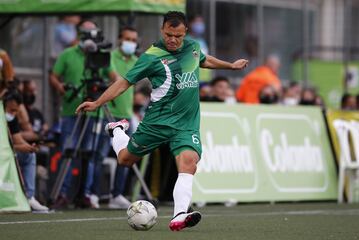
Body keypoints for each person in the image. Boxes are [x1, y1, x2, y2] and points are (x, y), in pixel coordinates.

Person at [76, 11, 248, 231]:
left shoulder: (193, 47)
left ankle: (179, 216)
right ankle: (117, 130)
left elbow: (204, 60)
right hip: (158, 122)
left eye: (177, 35)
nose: (173, 40)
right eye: (168, 34)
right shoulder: (151, 56)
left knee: (188, 163)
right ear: (162, 30)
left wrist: (230, 66)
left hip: (186, 124)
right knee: (125, 159)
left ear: (185, 32)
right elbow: (124, 83)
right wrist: (98, 102)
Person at [49, 20, 121, 208]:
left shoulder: (102, 56)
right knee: (68, 150)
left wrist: (115, 86)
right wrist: (61, 89)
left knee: (90, 151)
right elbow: (54, 76)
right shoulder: (67, 54)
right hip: (70, 109)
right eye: (86, 33)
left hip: (92, 110)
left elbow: (115, 77)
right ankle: (62, 194)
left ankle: (86, 194)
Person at [84, 26, 140, 209]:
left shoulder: (136, 59)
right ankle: (92, 193)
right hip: (108, 113)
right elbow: (117, 79)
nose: (131, 43)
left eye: (134, 39)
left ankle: (117, 194)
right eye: (127, 38)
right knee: (99, 154)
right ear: (119, 40)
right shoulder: (110, 57)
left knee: (128, 156)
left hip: (126, 114)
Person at [3, 90, 48, 212]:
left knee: (30, 156)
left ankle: (29, 197)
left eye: (17, 110)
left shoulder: (11, 119)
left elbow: (17, 140)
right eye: (13, 110)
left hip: (7, 153)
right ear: (7, 103)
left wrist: (29, 147)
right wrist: (19, 147)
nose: (14, 113)